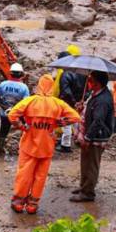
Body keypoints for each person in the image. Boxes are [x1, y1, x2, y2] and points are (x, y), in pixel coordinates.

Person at [7, 74, 81, 214]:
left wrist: (22, 127)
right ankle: (32, 205)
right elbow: (76, 117)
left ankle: (18, 202)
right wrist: (61, 122)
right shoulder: (58, 103)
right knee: (40, 176)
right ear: (52, 87)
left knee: (24, 173)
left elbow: (12, 115)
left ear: (39, 86)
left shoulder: (30, 101)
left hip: (29, 143)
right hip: (47, 145)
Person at [70, 71, 114, 203]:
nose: (88, 83)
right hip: (91, 134)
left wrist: (88, 138)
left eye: (90, 80)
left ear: (97, 83)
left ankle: (88, 193)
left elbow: (98, 121)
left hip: (96, 137)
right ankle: (84, 186)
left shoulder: (103, 100)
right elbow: (91, 113)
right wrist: (82, 108)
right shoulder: (96, 95)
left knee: (91, 164)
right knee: (85, 162)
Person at [0, 63, 30, 156]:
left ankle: (0, 150)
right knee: (25, 129)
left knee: (3, 131)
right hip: (18, 115)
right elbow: (26, 103)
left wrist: (5, 107)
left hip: (4, 113)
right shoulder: (24, 87)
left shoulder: (3, 84)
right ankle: (24, 148)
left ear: (10, 73)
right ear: (21, 74)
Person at [54, 45, 86, 153]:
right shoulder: (82, 73)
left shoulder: (65, 74)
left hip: (69, 102)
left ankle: (65, 145)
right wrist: (80, 101)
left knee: (67, 124)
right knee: (77, 121)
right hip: (79, 101)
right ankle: (77, 139)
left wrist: (72, 102)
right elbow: (86, 88)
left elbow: (66, 92)